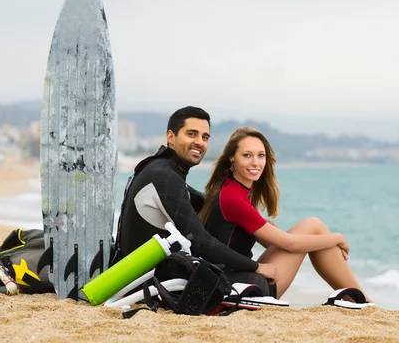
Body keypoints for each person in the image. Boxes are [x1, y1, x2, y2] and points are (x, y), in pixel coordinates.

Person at [113, 107, 277, 290]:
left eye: (205, 137)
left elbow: (207, 203)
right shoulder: (164, 176)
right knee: (257, 281)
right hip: (143, 284)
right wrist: (257, 266)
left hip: (151, 277)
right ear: (171, 136)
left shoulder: (164, 169)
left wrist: (259, 224)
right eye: (192, 134)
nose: (199, 142)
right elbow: (199, 241)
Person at [199, 127, 369, 300]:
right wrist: (338, 238)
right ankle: (360, 299)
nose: (256, 163)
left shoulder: (231, 189)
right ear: (231, 157)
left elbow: (273, 242)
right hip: (240, 287)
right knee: (314, 226)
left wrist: (272, 231)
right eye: (247, 155)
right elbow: (290, 244)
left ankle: (358, 298)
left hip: (237, 278)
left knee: (314, 230)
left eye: (261, 155)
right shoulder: (233, 197)